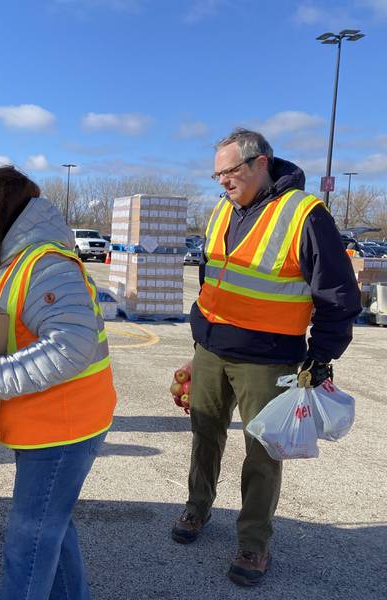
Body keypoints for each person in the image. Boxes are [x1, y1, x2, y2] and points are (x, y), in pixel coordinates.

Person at [172, 129, 361, 587]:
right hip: (212, 350)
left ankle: (254, 544)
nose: (222, 182)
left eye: (230, 171)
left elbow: (338, 295)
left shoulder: (304, 214)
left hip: (269, 359)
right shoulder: (222, 210)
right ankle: (198, 509)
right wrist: (200, 343)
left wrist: (321, 357)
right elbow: (211, 278)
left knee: (262, 453)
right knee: (205, 435)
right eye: (217, 174)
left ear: (259, 163)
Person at [0, 166, 117, 600]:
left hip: (63, 428)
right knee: (53, 527)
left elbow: (70, 346)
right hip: (48, 424)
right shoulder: (15, 260)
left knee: (29, 543)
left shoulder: (46, 265)